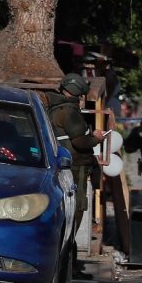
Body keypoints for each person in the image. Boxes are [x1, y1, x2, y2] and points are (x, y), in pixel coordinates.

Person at [41, 74, 107, 230]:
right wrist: (97, 138)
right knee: (76, 207)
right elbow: (80, 142)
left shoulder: (53, 109)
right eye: (81, 96)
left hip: (60, 164)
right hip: (75, 168)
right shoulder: (69, 111)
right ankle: (69, 242)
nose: (82, 99)